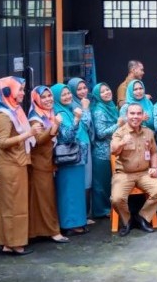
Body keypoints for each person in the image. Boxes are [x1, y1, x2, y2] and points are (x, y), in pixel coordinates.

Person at [0, 77, 40, 255]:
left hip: (14, 162)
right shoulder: (3, 115)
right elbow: (2, 142)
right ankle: (14, 244)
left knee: (10, 204)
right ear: (7, 92)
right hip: (10, 165)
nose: (23, 93)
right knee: (14, 205)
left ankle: (7, 242)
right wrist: (28, 134)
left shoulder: (13, 110)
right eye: (20, 89)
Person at [110, 103, 157, 236]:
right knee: (117, 199)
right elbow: (113, 150)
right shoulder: (120, 132)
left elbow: (153, 152)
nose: (135, 117)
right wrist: (123, 142)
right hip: (124, 173)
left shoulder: (148, 132)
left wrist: (154, 167)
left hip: (144, 173)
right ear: (127, 115)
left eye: (138, 114)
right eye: (132, 114)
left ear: (142, 116)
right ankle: (127, 220)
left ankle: (142, 217)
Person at [27, 86, 69, 244]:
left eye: (49, 96)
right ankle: (53, 231)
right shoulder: (35, 118)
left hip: (48, 162)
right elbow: (37, 140)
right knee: (46, 199)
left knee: (43, 198)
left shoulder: (49, 114)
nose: (48, 99)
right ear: (37, 99)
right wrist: (55, 126)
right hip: (39, 164)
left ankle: (38, 231)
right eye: (43, 97)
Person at [50, 83, 90, 236]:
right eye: (63, 95)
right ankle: (69, 224)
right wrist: (76, 119)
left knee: (77, 191)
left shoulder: (69, 108)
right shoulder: (58, 112)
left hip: (77, 156)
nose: (67, 96)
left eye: (68, 93)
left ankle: (79, 222)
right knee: (69, 192)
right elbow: (66, 136)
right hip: (67, 159)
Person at [90, 82, 123, 219]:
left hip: (112, 152)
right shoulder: (99, 110)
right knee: (101, 185)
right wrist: (118, 125)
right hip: (102, 153)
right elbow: (101, 133)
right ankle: (101, 211)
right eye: (102, 92)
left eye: (108, 89)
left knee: (110, 183)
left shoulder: (111, 107)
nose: (106, 93)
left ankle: (110, 209)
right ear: (98, 95)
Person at [67, 77, 95, 212]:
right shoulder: (72, 105)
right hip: (79, 146)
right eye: (79, 89)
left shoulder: (86, 101)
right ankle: (82, 213)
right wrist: (85, 109)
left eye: (84, 88)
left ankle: (86, 213)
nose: (83, 91)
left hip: (86, 143)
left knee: (88, 181)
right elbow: (85, 123)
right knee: (83, 181)